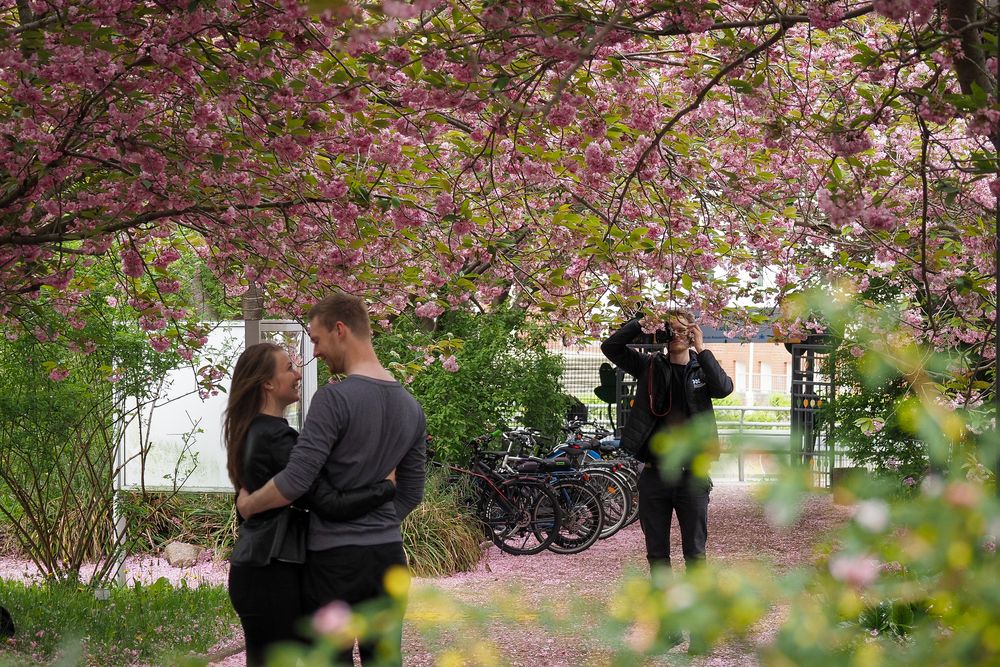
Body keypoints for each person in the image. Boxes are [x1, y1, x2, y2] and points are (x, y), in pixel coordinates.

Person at [237, 293, 427, 666]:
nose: (316, 352)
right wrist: (380, 524)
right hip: (388, 559)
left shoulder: (333, 400)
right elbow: (412, 493)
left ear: (340, 330)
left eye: (317, 339)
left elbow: (295, 481)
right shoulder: (412, 407)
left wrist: (249, 504)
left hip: (333, 563)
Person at [224, 342, 398, 667]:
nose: (298, 373)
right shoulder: (276, 439)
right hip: (272, 571)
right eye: (289, 367)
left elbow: (250, 503)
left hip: (258, 567)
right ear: (267, 383)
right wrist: (385, 488)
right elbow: (328, 502)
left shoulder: (251, 432)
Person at [601, 308, 733, 571]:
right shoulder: (649, 365)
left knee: (696, 553)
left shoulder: (701, 369)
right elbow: (611, 347)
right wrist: (641, 323)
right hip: (654, 474)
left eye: (683, 330)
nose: (677, 336)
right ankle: (663, 609)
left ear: (692, 333)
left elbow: (723, 389)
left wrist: (702, 350)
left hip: (692, 475)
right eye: (671, 329)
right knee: (657, 554)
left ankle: (696, 609)